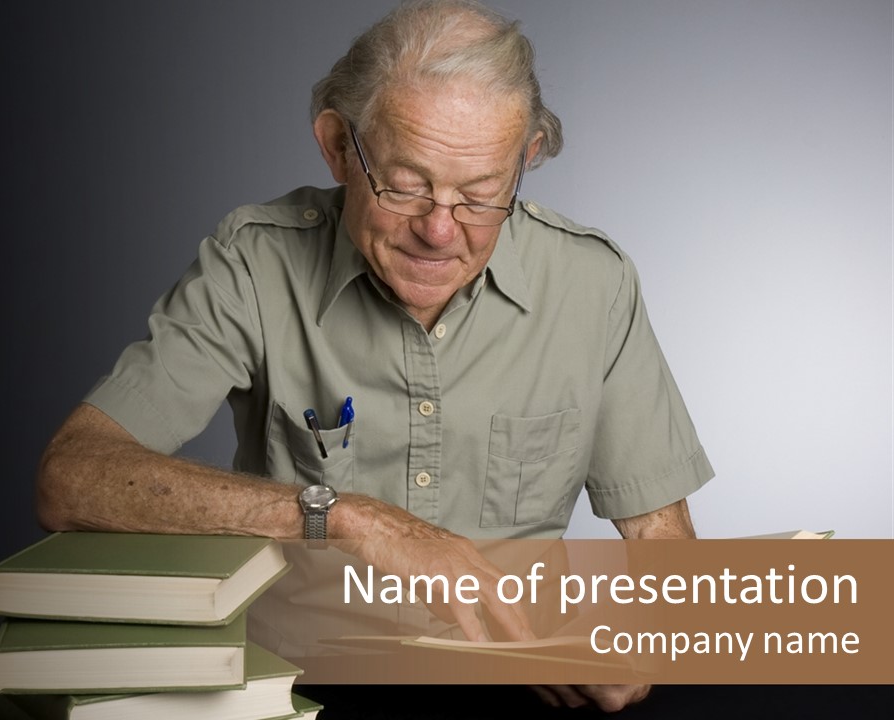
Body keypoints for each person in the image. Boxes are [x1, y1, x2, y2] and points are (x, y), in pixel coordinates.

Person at [35, 0, 713, 712]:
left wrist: (645, 636)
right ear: (337, 146)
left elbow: (662, 538)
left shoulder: (592, 282)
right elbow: (71, 479)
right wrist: (349, 519)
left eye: (483, 195)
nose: (440, 231)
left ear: (526, 158)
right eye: (406, 185)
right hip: (294, 690)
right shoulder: (255, 263)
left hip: (514, 691)